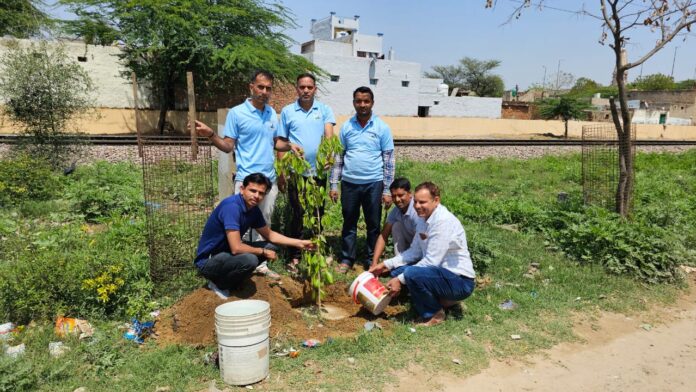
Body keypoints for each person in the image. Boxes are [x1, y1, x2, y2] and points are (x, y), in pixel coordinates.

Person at [192, 70, 303, 244]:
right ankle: (243, 261)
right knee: (242, 223)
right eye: (260, 87)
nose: (264, 92)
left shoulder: (272, 113)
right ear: (251, 87)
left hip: (268, 180)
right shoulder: (237, 113)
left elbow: (275, 143)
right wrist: (211, 134)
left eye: (268, 88)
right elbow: (228, 146)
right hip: (247, 179)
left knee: (264, 222)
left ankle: (260, 263)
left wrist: (290, 145)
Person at [369, 182, 476, 327]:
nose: (418, 206)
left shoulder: (442, 221)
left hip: (459, 281)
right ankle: (440, 300)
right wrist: (385, 264)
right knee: (398, 271)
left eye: (423, 202)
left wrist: (401, 279)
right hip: (440, 274)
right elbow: (414, 252)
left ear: (436, 200)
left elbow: (431, 262)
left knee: (410, 274)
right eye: (416, 202)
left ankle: (434, 313)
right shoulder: (423, 218)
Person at [194, 173, 314, 299]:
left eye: (261, 193)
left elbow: (270, 235)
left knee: (271, 247)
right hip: (209, 261)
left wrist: (299, 243)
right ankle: (219, 283)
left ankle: (234, 279)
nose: (256, 196)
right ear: (242, 189)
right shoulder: (232, 207)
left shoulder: (253, 210)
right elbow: (236, 248)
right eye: (253, 190)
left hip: (226, 253)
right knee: (251, 260)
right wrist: (262, 251)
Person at [329, 86, 395, 273]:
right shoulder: (347, 127)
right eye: (359, 101)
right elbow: (339, 157)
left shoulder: (382, 127)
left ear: (372, 103)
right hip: (349, 184)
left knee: (373, 225)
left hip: (373, 183)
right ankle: (347, 259)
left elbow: (389, 160)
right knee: (349, 223)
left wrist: (387, 189)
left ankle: (371, 260)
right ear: (354, 103)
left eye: (366, 101)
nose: (362, 104)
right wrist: (334, 184)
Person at [277, 73, 336, 271]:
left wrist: (328, 157)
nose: (305, 90)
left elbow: (329, 136)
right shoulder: (287, 111)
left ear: (315, 89)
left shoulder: (324, 110)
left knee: (318, 212)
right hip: (296, 172)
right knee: (298, 213)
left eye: (309, 87)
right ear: (297, 89)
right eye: (302, 87)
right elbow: (280, 142)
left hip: (317, 172)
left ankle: (317, 250)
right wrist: (282, 174)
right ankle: (295, 255)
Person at [370, 177, 419, 268]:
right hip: (411, 248)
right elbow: (383, 235)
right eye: (393, 196)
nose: (397, 200)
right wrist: (374, 263)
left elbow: (421, 244)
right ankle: (400, 262)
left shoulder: (417, 210)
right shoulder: (396, 211)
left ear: (410, 194)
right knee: (396, 226)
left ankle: (403, 264)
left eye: (401, 195)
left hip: (423, 249)